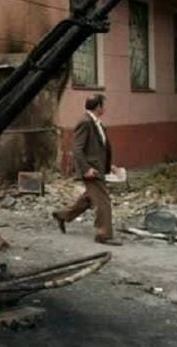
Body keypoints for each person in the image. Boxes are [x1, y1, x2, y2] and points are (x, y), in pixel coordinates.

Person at [52, 94, 123, 246]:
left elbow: (98, 149)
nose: (105, 107)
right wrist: (86, 169)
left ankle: (62, 215)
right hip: (91, 170)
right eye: (103, 105)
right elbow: (77, 148)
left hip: (97, 168)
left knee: (89, 198)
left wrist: (108, 165)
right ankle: (103, 234)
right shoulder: (85, 122)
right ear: (98, 107)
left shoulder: (96, 123)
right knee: (103, 201)